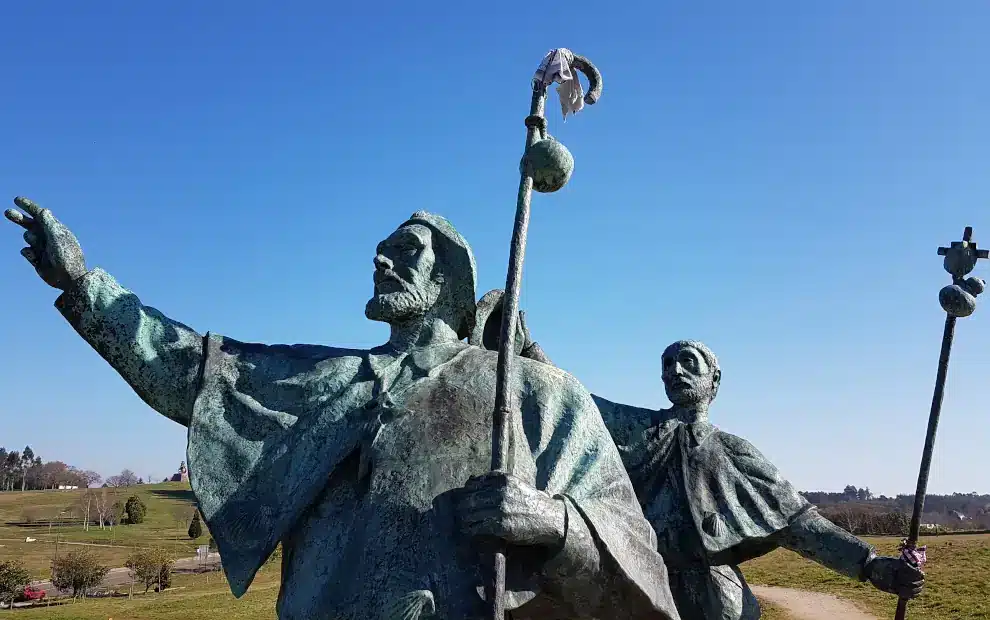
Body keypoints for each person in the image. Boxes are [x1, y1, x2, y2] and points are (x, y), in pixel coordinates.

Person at [4, 197, 680, 620]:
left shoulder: (534, 395)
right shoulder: (326, 379)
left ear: (450, 282)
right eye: (383, 250)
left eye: (406, 252)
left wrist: (558, 523)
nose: (383, 259)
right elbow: (190, 368)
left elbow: (638, 560)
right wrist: (85, 287)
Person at [469, 291, 925, 620]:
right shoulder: (641, 430)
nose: (676, 371)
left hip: (715, 594)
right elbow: (582, 404)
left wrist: (872, 566)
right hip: (645, 581)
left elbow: (799, 523)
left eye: (689, 362)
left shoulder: (733, 452)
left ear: (715, 380)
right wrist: (526, 351)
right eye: (668, 364)